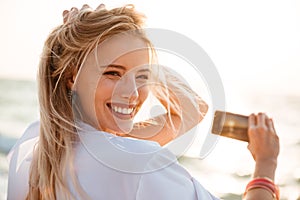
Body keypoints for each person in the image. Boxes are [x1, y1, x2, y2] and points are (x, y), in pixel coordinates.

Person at [7, 4, 280, 200]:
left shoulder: (32, 143)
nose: (132, 92)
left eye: (142, 77)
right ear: (71, 77)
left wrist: (126, 56)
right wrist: (265, 164)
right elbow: (191, 109)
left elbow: (192, 110)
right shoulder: (139, 165)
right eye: (112, 73)